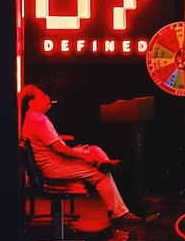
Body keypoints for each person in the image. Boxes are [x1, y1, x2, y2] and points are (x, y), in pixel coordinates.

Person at [19, 84, 138, 228]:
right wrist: (83, 158)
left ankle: (104, 162)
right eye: (43, 96)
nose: (48, 98)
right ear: (31, 102)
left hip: (53, 162)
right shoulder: (39, 120)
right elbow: (59, 148)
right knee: (100, 174)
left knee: (94, 149)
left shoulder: (31, 117)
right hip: (54, 168)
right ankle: (119, 214)